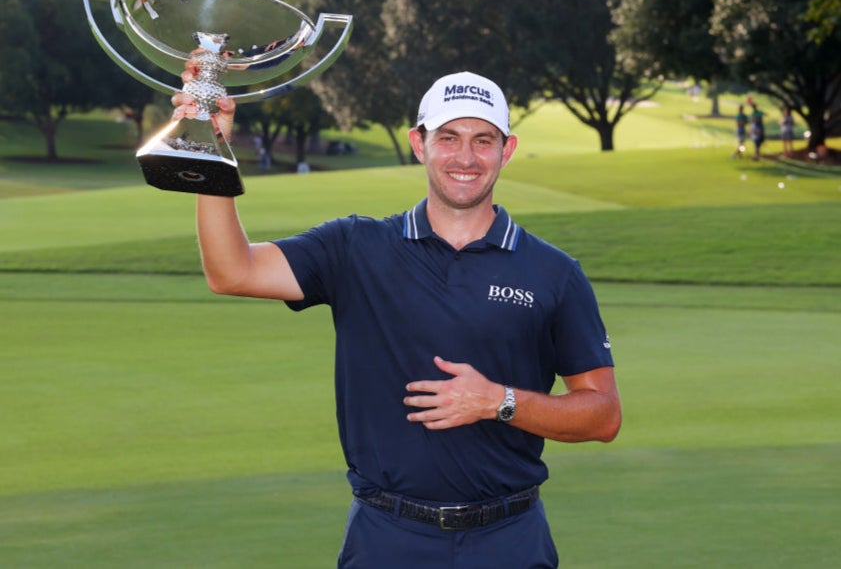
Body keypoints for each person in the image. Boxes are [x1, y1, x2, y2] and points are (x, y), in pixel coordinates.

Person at [173, 69, 621, 568]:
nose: (466, 158)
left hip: (509, 540)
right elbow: (231, 271)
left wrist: (499, 400)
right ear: (418, 143)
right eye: (448, 138)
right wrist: (211, 145)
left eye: (483, 140)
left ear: (507, 149)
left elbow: (603, 416)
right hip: (388, 538)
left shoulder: (554, 273)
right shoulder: (355, 248)